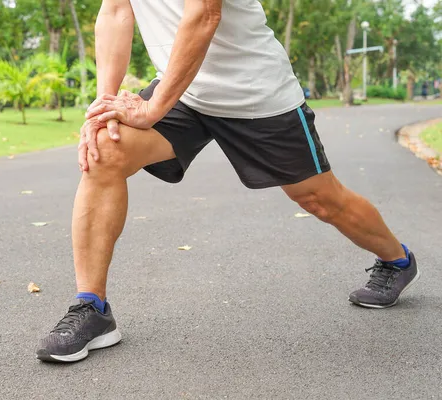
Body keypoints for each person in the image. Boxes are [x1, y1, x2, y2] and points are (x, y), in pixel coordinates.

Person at [36, 0, 420, 363]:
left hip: (255, 95)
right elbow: (116, 11)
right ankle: (92, 307)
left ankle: (396, 260)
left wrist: (152, 108)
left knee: (320, 199)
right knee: (104, 151)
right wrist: (103, 107)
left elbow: (205, 14)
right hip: (183, 91)